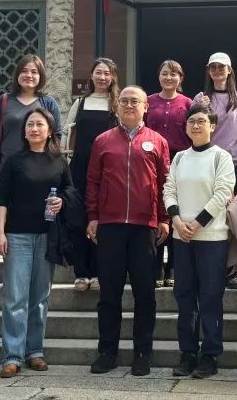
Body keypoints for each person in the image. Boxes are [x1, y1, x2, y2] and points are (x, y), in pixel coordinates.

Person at [86, 86, 171, 377]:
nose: (129, 105)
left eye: (135, 101)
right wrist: (93, 216)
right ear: (116, 106)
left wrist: (164, 218)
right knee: (109, 293)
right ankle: (107, 352)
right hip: (109, 226)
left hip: (144, 227)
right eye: (124, 101)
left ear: (146, 107)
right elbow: (93, 181)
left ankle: (142, 353)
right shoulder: (103, 140)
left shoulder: (158, 141)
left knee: (145, 293)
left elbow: (165, 183)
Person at [0, 108, 71, 378]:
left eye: (39, 124)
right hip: (17, 235)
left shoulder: (59, 161)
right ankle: (12, 355)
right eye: (30, 125)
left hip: (47, 236)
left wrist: (62, 201)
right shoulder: (13, 161)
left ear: (49, 130)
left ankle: (35, 351)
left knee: (40, 297)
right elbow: (1, 198)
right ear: (24, 131)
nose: (34, 129)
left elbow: (69, 191)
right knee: (15, 297)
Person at [163, 104, 235, 380]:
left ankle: (210, 354)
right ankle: (188, 353)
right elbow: (169, 190)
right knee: (184, 296)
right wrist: (177, 221)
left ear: (212, 126)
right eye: (191, 121)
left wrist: (197, 223)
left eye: (201, 121)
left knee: (210, 296)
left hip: (211, 238)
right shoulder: (180, 158)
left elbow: (222, 193)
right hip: (181, 237)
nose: (195, 125)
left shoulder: (221, 157)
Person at [193, 52, 237, 290]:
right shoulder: (200, 98)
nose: (217, 70)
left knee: (230, 217)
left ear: (229, 70)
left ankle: (230, 270)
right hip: (206, 163)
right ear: (208, 71)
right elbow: (193, 129)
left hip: (234, 163)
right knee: (207, 215)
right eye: (213, 67)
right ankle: (206, 268)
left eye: (222, 67)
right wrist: (200, 108)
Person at [62, 57, 119, 291]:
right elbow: (67, 136)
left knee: (103, 219)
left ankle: (98, 272)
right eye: (98, 72)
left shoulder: (117, 104)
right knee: (79, 218)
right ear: (92, 75)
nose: (102, 77)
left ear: (113, 77)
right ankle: (81, 273)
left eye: (107, 73)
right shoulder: (80, 103)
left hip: (109, 170)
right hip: (80, 168)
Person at [148, 59, 194, 288]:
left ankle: (173, 266)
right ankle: (156, 265)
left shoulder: (188, 103)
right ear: (159, 76)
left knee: (178, 210)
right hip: (151, 160)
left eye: (173, 74)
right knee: (156, 209)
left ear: (180, 78)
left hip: (181, 160)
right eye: (164, 73)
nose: (168, 78)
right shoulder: (148, 101)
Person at [0, 54, 61, 167]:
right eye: (24, 71)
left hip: (40, 165)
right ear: (18, 74)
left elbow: (57, 135)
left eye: (34, 72)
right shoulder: (3, 101)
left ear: (41, 76)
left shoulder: (48, 103)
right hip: (7, 165)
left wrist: (52, 162)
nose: (28, 75)